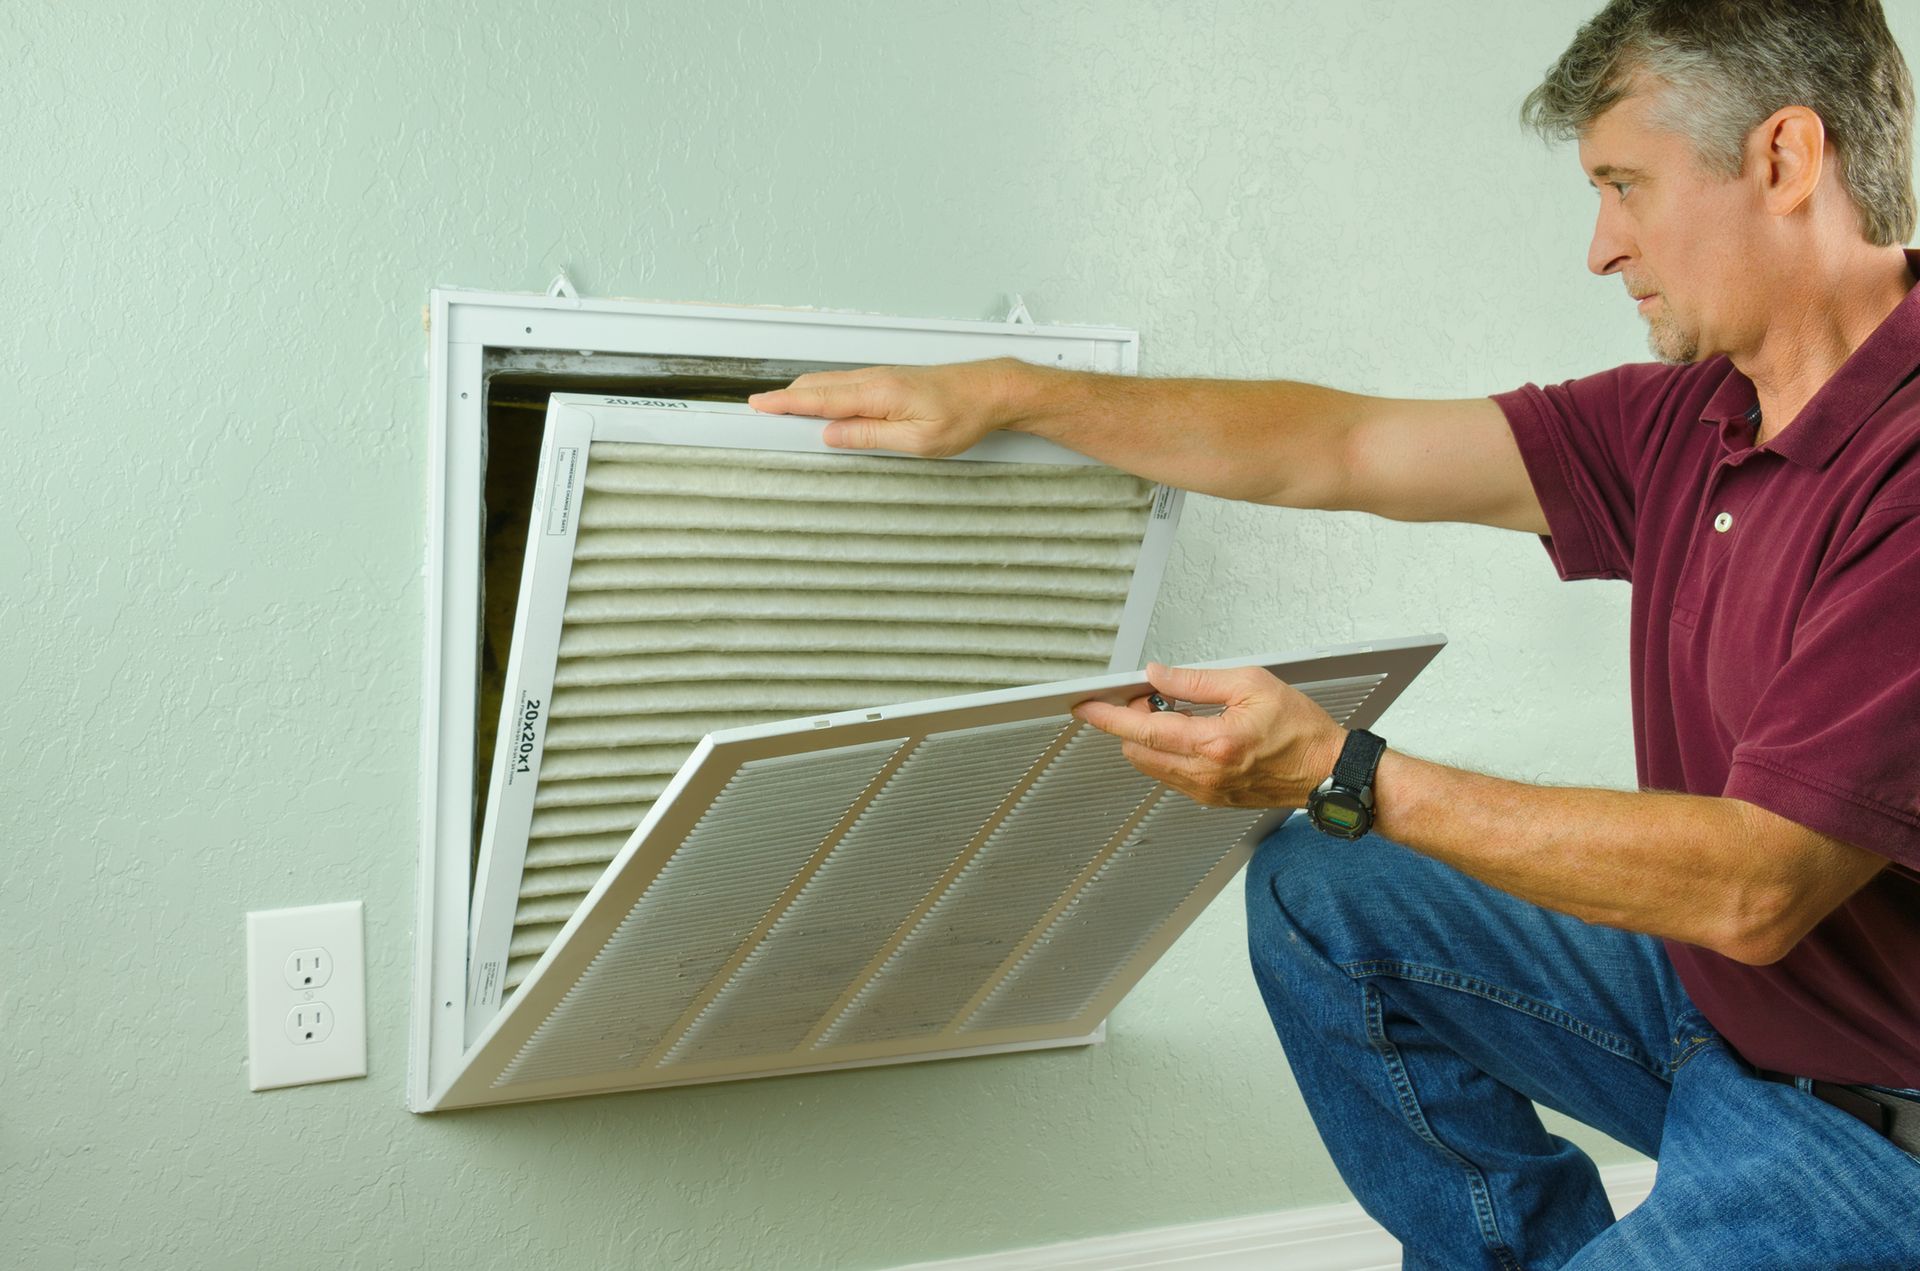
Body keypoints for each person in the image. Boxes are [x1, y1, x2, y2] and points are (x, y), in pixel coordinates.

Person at [750, 1, 1920, 1265]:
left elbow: (1754, 887)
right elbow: (1342, 444)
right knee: (1329, 891)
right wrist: (1012, 394)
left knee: (1363, 822)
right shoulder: (1696, 417)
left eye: (1624, 186)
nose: (1601, 248)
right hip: (1724, 1024)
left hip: (1875, 1125)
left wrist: (1348, 766)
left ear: (1784, 159)